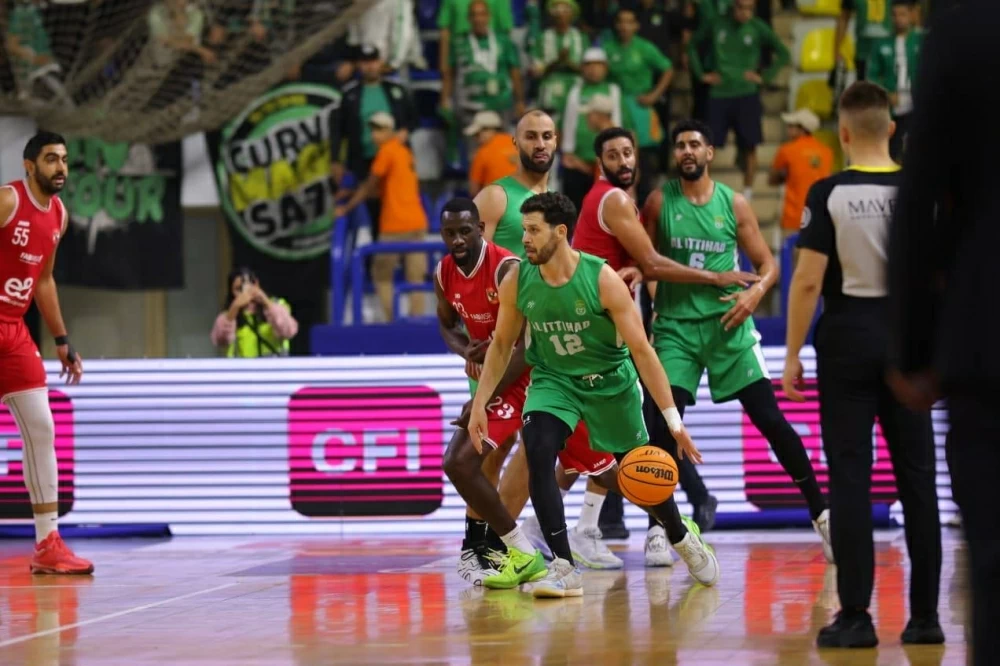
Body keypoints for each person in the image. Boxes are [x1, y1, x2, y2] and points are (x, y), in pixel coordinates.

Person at [469, 192, 721, 597]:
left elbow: (643, 351)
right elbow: (500, 346)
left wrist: (674, 422)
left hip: (609, 384)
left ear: (560, 232)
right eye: (525, 230)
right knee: (538, 448)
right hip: (554, 380)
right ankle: (564, 566)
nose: (525, 239)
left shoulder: (602, 280)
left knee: (638, 471)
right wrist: (480, 403)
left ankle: (680, 534)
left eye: (533, 230)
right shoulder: (517, 279)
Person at [783, 81, 942, 649]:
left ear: (843, 133)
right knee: (917, 479)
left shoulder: (828, 192)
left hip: (848, 337)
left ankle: (855, 617)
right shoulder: (922, 192)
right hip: (907, 340)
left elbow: (807, 281)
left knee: (850, 477)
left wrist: (793, 354)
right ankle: (925, 618)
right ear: (891, 129)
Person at [642, 119, 833, 562]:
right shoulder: (659, 202)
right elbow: (649, 264)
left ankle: (822, 515)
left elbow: (769, 265)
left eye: (695, 144)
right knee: (664, 425)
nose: (687, 151)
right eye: (680, 145)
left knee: (771, 420)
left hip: (729, 326)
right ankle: (660, 526)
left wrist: (754, 294)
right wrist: (656, 305)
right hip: (677, 330)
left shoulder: (733, 203)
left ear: (709, 152)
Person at [574, 126, 762, 564]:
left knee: (623, 427)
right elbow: (653, 262)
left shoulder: (621, 200)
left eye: (628, 152)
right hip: (598, 326)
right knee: (621, 429)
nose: (623, 161)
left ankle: (598, 525)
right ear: (599, 163)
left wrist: (649, 289)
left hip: (611, 321)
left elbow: (643, 267)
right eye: (613, 155)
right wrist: (716, 277)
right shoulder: (615, 199)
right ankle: (653, 522)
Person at [886, 3, 999, 662]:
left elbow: (922, 193)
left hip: (987, 331)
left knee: (995, 561)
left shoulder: (964, 28)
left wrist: (914, 346)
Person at [436, 198, 623, 587]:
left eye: (465, 231)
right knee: (462, 459)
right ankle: (512, 549)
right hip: (502, 378)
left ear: (481, 229)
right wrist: (467, 350)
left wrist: (483, 397)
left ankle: (671, 522)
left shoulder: (507, 269)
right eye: (449, 233)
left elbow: (522, 347)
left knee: (603, 470)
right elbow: (447, 324)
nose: (457, 240)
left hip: (538, 375)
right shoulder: (443, 272)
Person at [0, 131, 91, 575]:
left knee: (42, 429)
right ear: (29, 165)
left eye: (65, 159)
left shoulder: (59, 215)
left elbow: (44, 280)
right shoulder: (7, 200)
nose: (61, 167)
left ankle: (47, 544)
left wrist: (61, 339)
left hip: (14, 332)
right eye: (51, 158)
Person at [335, 112, 429, 321]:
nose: (374, 135)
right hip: (417, 221)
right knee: (415, 277)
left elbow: (370, 186)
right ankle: (417, 320)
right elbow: (383, 188)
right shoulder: (403, 151)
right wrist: (354, 192)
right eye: (373, 130)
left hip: (395, 224)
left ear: (389, 131)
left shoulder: (386, 152)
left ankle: (392, 320)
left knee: (381, 273)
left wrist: (346, 207)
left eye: (379, 130)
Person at [473, 109, 557, 258]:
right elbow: (472, 265)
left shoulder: (555, 200)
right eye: (531, 137)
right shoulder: (494, 197)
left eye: (547, 136)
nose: (540, 145)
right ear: (515, 143)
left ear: (555, 142)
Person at [865, 0, 922, 162]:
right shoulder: (880, 44)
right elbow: (872, 77)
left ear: (911, 15)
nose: (898, 19)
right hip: (891, 106)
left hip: (917, 103)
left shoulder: (922, 41)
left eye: (903, 14)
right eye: (894, 15)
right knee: (891, 150)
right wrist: (887, 93)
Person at [769, 109, 834, 240]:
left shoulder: (786, 150)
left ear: (802, 129)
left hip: (794, 216)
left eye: (791, 126)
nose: (788, 129)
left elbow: (772, 180)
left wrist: (784, 175)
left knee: (792, 251)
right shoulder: (827, 151)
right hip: (820, 216)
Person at [210, 268, 299, 357]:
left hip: (273, 363)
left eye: (248, 286)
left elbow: (288, 331)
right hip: (243, 365)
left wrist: (266, 302)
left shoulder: (277, 304)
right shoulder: (229, 314)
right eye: (238, 289)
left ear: (256, 284)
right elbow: (220, 340)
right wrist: (235, 307)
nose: (244, 293)